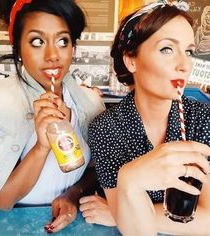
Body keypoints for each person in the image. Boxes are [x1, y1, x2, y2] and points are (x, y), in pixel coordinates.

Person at [0, 0, 115, 232]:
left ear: (73, 47)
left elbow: (94, 169)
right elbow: (2, 201)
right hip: (18, 224)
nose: (52, 55)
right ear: (18, 47)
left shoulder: (89, 102)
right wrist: (41, 147)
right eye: (37, 42)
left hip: (74, 220)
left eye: (62, 41)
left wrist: (72, 195)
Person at [88, 2, 210, 236]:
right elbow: (132, 230)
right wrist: (130, 178)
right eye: (167, 49)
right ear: (131, 60)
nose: (184, 65)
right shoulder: (106, 128)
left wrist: (117, 214)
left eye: (188, 51)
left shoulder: (202, 119)